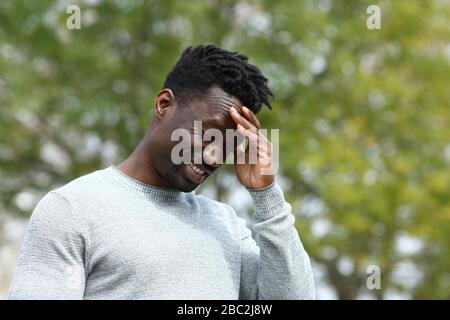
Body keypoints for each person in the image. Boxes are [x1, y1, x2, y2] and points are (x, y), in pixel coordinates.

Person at [8, 44, 315, 299]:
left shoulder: (227, 227)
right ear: (164, 104)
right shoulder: (72, 209)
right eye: (208, 134)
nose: (213, 155)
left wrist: (267, 196)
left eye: (228, 144)